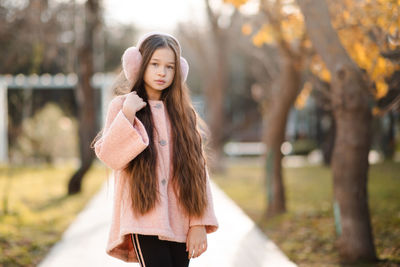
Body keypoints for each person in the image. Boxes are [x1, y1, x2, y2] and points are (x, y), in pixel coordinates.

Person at [91, 32, 218, 267]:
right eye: (155, 64)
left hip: (181, 217)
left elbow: (199, 170)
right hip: (142, 216)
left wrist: (198, 222)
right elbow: (110, 157)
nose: (162, 72)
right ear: (138, 65)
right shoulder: (121, 106)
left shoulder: (183, 113)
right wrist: (127, 115)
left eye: (169, 67)